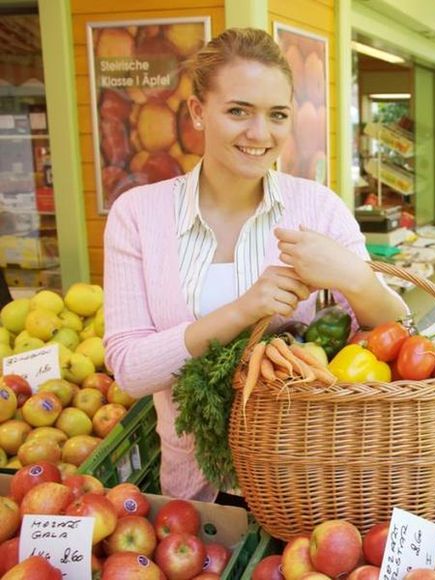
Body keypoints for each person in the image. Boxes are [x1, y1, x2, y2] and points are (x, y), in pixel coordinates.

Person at [103, 28, 408, 502]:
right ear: (199, 112)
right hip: (195, 489)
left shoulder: (319, 210)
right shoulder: (138, 215)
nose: (259, 134)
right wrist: (244, 311)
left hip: (309, 478)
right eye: (238, 111)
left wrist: (352, 275)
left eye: (277, 115)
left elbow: (396, 333)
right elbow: (130, 370)